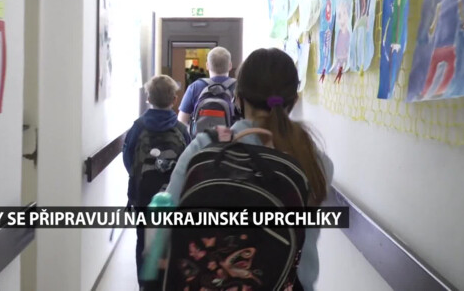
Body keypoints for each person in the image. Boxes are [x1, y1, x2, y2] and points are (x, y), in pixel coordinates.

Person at [165, 48, 334, 290]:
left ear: (238, 98)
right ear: (294, 101)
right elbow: (305, 249)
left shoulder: (203, 146)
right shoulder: (315, 161)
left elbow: (163, 220)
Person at [122, 74, 191, 284]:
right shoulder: (181, 130)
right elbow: (188, 162)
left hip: (143, 196)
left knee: (142, 240)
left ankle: (144, 284)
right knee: (172, 240)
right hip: (173, 197)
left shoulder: (138, 127)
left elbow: (128, 159)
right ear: (174, 99)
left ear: (148, 98)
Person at [177, 47, 234, 126]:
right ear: (230, 65)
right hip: (231, 133)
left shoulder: (195, 87)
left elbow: (181, 121)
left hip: (201, 133)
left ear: (207, 65)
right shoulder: (239, 87)